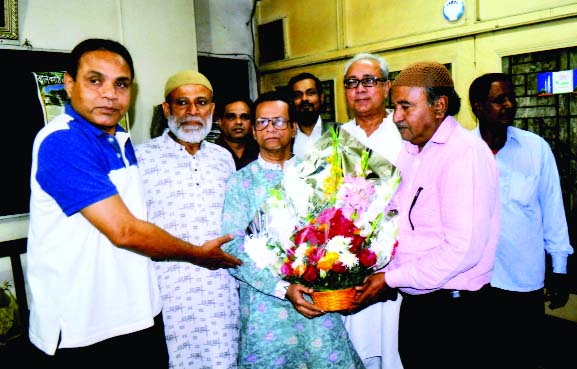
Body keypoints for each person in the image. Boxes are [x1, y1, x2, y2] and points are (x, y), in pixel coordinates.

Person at [26, 39, 241, 368]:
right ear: (69, 84)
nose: (109, 94)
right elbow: (125, 230)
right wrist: (199, 254)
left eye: (121, 83)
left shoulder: (122, 143)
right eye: (95, 80)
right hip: (83, 329)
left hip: (136, 318)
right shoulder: (63, 141)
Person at [352, 61, 500, 369]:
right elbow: (394, 220)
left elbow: (462, 250)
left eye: (406, 106)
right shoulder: (410, 151)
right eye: (395, 107)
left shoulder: (464, 154)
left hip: (456, 314)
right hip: (419, 305)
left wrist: (389, 279)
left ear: (439, 106)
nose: (397, 117)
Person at [220, 90, 365, 369]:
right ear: (253, 131)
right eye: (262, 122)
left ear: (293, 127)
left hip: (317, 302)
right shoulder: (240, 183)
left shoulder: (318, 175)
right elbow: (232, 248)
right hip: (266, 310)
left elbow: (342, 233)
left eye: (278, 121)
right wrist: (283, 288)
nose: (270, 129)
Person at [135, 70, 241, 368]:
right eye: (182, 103)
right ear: (167, 109)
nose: (192, 112)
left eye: (201, 102)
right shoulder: (141, 157)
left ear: (212, 109)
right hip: (168, 289)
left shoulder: (223, 158)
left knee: (224, 359)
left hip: (220, 287)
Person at [468, 72, 574, 369]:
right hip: (474, 281)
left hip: (523, 280)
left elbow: (553, 208)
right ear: (477, 107)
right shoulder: (461, 151)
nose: (510, 105)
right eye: (499, 100)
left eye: (511, 98)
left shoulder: (535, 148)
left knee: (524, 357)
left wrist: (560, 268)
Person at [335, 53, 404, 369]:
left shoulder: (407, 132)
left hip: (398, 264)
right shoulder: (336, 138)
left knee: (392, 346)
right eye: (352, 83)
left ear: (387, 86)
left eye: (369, 81)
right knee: (354, 350)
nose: (360, 89)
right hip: (347, 262)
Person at [287, 72, 337, 159]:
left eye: (310, 93)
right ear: (292, 101)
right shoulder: (286, 137)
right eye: (298, 95)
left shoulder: (340, 132)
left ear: (321, 98)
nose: (304, 99)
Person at [214, 96, 259, 169]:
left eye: (244, 117)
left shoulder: (263, 153)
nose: (238, 122)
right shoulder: (209, 154)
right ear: (220, 121)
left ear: (252, 122)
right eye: (231, 117)